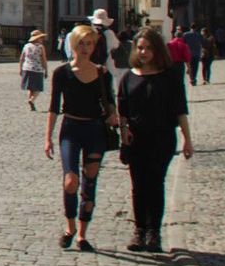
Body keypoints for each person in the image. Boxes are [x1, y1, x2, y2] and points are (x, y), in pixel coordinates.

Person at [117, 27, 193, 254]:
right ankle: (139, 231)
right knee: (138, 186)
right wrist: (123, 134)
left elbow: (181, 110)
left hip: (162, 138)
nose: (143, 52)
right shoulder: (128, 77)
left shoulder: (169, 77)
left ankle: (154, 233)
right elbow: (122, 112)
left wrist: (187, 140)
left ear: (157, 50)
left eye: (148, 48)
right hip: (136, 139)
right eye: (140, 48)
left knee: (155, 183)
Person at [44, 24, 119, 253]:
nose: (86, 48)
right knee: (70, 181)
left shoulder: (101, 73)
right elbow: (54, 107)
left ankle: (82, 235)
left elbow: (109, 102)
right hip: (71, 128)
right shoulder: (62, 73)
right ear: (74, 45)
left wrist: (114, 114)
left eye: (90, 44)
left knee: (90, 180)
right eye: (82, 44)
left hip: (94, 130)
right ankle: (69, 228)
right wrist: (47, 138)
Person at [20, 30, 48, 112]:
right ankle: (32, 100)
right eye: (40, 38)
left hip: (27, 68)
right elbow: (44, 59)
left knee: (30, 88)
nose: (42, 39)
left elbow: (21, 58)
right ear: (37, 39)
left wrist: (20, 69)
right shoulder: (40, 47)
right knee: (38, 88)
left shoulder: (26, 46)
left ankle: (31, 105)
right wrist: (46, 70)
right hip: (37, 69)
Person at [179, 24, 203, 89]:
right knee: (195, 67)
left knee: (190, 67)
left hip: (188, 53)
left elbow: (182, 43)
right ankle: (194, 79)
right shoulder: (199, 35)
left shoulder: (185, 34)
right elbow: (202, 43)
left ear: (190, 28)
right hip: (197, 53)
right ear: (197, 28)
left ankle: (191, 79)